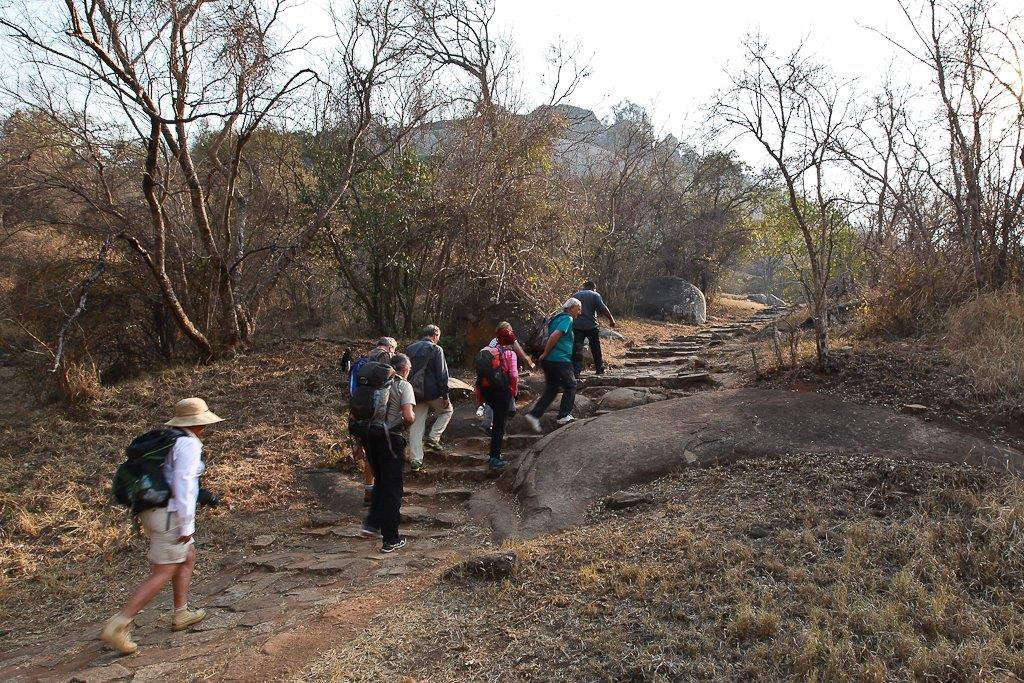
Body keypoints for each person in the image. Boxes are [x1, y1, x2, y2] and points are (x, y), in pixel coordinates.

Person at [100, 397, 224, 655]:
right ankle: (120, 622)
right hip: (170, 514)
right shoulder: (188, 444)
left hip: (152, 511)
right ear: (199, 423)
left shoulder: (167, 439)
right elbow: (185, 485)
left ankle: (181, 612)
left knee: (188, 555)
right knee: (163, 570)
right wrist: (187, 524)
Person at [359, 353, 416, 553]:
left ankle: (372, 524)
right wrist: (407, 421)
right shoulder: (403, 386)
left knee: (382, 483)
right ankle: (391, 538)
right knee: (393, 488)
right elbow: (408, 417)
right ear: (405, 369)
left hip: (370, 437)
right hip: (391, 439)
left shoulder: (377, 384)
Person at [347, 337, 398, 505]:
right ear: (390, 347)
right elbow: (393, 384)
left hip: (359, 408)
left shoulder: (362, 358)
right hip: (379, 410)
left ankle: (369, 489)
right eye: (394, 349)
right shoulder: (386, 357)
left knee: (368, 450)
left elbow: (352, 386)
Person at [524, 298, 582, 433]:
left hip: (550, 361)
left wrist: (545, 356)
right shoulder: (567, 319)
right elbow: (554, 336)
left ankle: (534, 415)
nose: (579, 312)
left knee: (552, 388)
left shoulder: (555, 319)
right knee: (571, 384)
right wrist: (545, 353)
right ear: (571, 308)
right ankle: (563, 415)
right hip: (560, 359)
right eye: (578, 309)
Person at [474, 325, 525, 470]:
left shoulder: (487, 351)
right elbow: (514, 375)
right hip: (502, 392)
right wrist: (513, 392)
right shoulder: (510, 354)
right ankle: (494, 458)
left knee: (496, 422)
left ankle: (494, 455)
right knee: (499, 426)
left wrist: (480, 397)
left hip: (488, 392)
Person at [405, 324, 453, 473]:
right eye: (438, 336)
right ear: (435, 335)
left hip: (415, 393)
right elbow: (442, 374)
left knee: (416, 426)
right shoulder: (436, 349)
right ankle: (433, 437)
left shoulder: (410, 349)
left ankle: (416, 461)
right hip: (432, 392)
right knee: (447, 411)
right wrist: (445, 394)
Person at [479, 322, 535, 432]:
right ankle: (509, 413)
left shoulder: (492, 343)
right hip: (503, 380)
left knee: (491, 400)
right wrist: (514, 389)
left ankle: (487, 423)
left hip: (490, 377)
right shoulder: (510, 351)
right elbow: (513, 375)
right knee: (505, 397)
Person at [571, 280, 616, 378]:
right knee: (595, 347)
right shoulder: (595, 295)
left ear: (584, 287)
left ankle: (576, 371)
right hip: (591, 326)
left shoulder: (575, 295)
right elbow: (603, 308)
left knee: (577, 348)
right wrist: (611, 319)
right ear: (593, 288)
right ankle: (599, 368)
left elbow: (568, 309)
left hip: (577, 326)